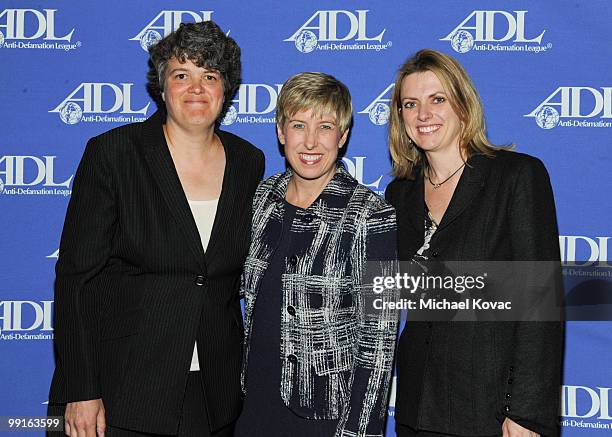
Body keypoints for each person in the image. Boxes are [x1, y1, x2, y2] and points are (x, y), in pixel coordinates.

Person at [48, 21, 264, 437]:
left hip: (213, 394)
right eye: (182, 75)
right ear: (161, 86)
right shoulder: (113, 154)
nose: (196, 89)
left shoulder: (248, 162)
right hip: (120, 389)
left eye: (210, 76)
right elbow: (76, 281)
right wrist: (82, 389)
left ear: (226, 90)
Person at [385, 49, 564, 437]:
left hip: (492, 412)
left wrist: (526, 414)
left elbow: (540, 303)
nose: (423, 115)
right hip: (417, 408)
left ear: (463, 106)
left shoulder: (516, 177)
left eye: (437, 100)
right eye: (410, 104)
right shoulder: (399, 193)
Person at [234, 72, 398, 437]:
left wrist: (359, 432)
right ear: (281, 132)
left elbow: (379, 341)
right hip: (253, 409)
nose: (310, 141)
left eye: (325, 126)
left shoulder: (372, 214)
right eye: (298, 125)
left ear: (342, 137)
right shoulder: (262, 198)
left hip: (323, 418)